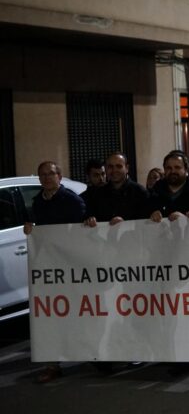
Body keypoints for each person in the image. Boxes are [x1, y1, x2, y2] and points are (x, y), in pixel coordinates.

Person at [24, 161, 87, 384]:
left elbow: (82, 233)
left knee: (80, 312)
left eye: (50, 174)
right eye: (42, 175)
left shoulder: (71, 200)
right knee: (50, 314)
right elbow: (40, 231)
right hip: (51, 270)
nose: (47, 178)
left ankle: (90, 354)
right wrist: (32, 229)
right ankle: (52, 364)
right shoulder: (38, 203)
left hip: (74, 268)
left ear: (59, 176)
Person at [86, 152, 150, 226]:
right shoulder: (97, 194)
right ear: (106, 169)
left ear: (127, 168)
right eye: (110, 166)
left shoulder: (141, 193)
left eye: (119, 166)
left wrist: (126, 224)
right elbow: (90, 217)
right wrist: (90, 219)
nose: (114, 170)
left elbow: (146, 224)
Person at [148, 151, 189, 222]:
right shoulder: (153, 195)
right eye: (169, 168)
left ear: (186, 171)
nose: (173, 171)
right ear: (164, 170)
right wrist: (151, 215)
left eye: (177, 167)